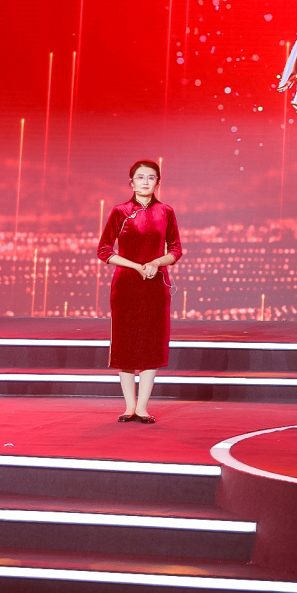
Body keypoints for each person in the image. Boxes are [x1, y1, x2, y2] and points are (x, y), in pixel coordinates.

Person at [97, 160, 182, 424]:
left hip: (155, 286)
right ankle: (129, 406)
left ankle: (143, 407)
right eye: (140, 177)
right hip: (126, 285)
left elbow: (176, 250)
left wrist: (156, 263)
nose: (146, 182)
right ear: (131, 182)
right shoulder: (120, 211)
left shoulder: (166, 212)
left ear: (158, 182)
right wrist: (136, 266)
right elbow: (104, 250)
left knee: (150, 344)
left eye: (151, 177)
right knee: (126, 345)